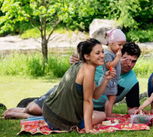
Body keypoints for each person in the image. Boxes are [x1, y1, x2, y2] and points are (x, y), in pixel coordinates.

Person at [3, 42, 142, 119]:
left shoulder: (132, 82)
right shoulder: (102, 61)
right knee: (34, 108)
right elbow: (82, 63)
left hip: (86, 109)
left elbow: (132, 109)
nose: (129, 63)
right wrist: (75, 60)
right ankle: (25, 110)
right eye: (126, 59)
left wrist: (137, 112)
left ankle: (22, 114)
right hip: (69, 95)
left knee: (56, 116)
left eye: (133, 61)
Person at [42, 39, 114, 133]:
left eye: (102, 52)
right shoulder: (89, 69)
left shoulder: (79, 65)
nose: (102, 55)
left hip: (48, 110)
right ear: (87, 56)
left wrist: (106, 79)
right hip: (59, 120)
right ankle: (83, 125)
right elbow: (87, 101)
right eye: (97, 53)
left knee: (99, 114)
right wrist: (89, 129)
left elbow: (95, 95)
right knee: (101, 115)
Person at [99, 29, 126, 118]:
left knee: (111, 99)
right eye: (119, 45)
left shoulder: (113, 53)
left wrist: (119, 59)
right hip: (108, 81)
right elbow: (109, 66)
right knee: (111, 99)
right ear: (111, 43)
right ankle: (108, 116)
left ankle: (108, 115)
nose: (121, 47)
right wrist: (118, 58)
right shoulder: (107, 54)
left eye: (122, 45)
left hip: (112, 80)